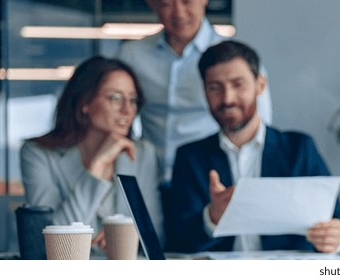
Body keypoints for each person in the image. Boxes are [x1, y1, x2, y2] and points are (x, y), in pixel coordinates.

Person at [165, 40, 340, 254]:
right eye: (215, 87)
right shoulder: (190, 158)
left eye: (238, 84)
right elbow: (177, 244)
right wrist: (212, 218)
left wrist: (334, 240)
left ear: (260, 85)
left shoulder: (299, 149)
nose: (227, 98)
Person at [115, 0, 272, 186]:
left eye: (187, 1)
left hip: (207, 180)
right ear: (152, 4)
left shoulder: (235, 60)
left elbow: (259, 126)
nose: (179, 13)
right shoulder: (132, 56)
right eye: (166, 4)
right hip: (148, 178)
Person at [20, 56, 163, 250]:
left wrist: (125, 240)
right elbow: (53, 244)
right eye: (116, 98)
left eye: (132, 99)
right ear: (84, 103)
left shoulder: (143, 154)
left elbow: (155, 237)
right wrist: (97, 167)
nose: (128, 110)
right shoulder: (38, 154)